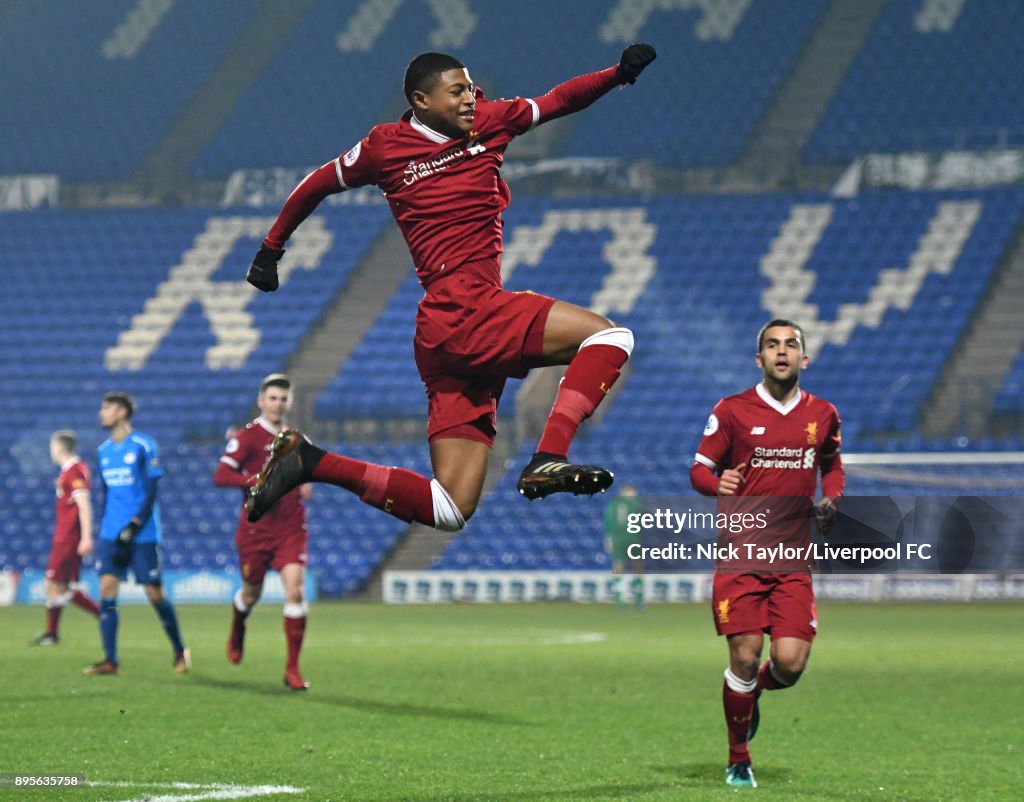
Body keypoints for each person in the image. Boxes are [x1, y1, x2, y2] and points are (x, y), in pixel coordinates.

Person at [241, 45, 656, 534]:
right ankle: (549, 455)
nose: (468, 99)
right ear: (421, 100)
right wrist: (271, 248)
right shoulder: (384, 146)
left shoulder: (490, 121)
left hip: (446, 335)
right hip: (466, 308)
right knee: (610, 339)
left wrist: (617, 74)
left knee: (450, 508)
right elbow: (317, 183)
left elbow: (559, 100)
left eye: (469, 88)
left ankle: (310, 461)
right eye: (456, 90)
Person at [689, 320, 844, 789]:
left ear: (804, 358)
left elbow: (832, 465)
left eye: (791, 345)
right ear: (759, 359)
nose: (782, 352)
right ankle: (739, 757)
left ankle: (752, 691)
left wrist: (832, 499)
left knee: (791, 665)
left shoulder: (824, 414)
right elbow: (699, 468)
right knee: (744, 654)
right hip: (741, 555)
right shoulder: (733, 410)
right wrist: (719, 485)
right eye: (773, 346)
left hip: (794, 560)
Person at [213, 374, 314, 690]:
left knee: (295, 591)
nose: (278, 404)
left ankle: (292, 669)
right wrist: (256, 480)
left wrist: (304, 480)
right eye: (273, 398)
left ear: (289, 403)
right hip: (256, 529)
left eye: (283, 399)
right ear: (261, 401)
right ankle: (239, 624)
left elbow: (309, 481)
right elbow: (221, 475)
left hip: (290, 527)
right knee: (251, 593)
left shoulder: (298, 439)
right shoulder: (247, 437)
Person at [82, 392, 190, 676]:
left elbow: (152, 489)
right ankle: (111, 660)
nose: (101, 413)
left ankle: (180, 649)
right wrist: (108, 527)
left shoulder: (144, 445)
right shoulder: (104, 450)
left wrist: (135, 523)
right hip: (111, 533)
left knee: (154, 593)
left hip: (143, 533)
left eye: (106, 408)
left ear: (121, 412)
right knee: (106, 590)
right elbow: (107, 493)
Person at [29, 430, 100, 646]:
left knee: (54, 584)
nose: (51, 451)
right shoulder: (67, 472)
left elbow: (84, 505)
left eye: (52, 446)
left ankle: (103, 616)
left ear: (59, 447)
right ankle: (51, 633)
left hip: (70, 537)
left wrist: (86, 537)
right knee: (61, 586)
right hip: (64, 536)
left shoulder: (75, 471)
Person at [603, 483, 645, 610]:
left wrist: (608, 539)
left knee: (619, 567)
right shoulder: (637, 504)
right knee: (637, 567)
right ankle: (637, 600)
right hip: (633, 538)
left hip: (619, 539)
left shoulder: (613, 505)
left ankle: (621, 600)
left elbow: (608, 522)